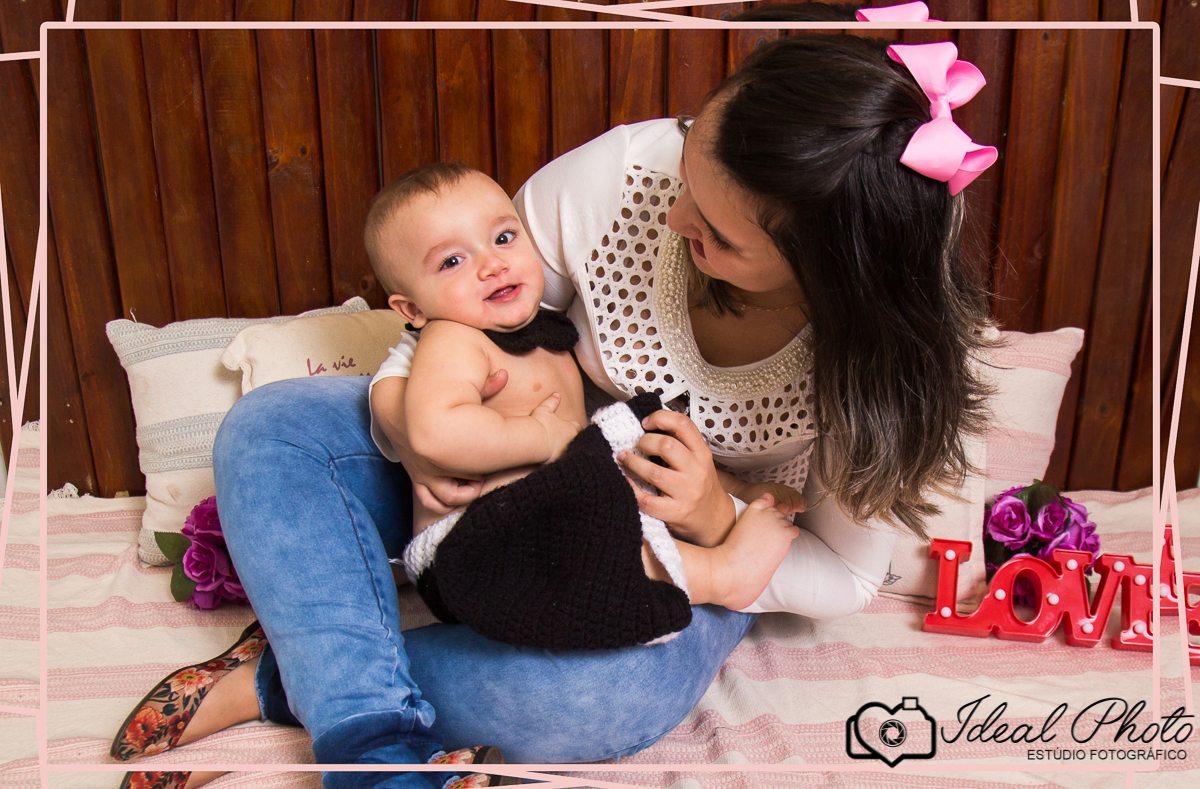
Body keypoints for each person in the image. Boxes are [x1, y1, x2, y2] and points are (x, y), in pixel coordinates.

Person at [109, 19, 996, 789]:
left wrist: (718, 513)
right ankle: (371, 740)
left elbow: (844, 576)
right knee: (274, 428)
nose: (678, 215)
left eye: (718, 234)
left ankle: (290, 679)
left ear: (826, 275)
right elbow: (463, 318)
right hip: (494, 479)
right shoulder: (618, 181)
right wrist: (412, 431)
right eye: (688, 167)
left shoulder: (879, 366)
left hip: (667, 546)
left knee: (597, 698)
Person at [362, 162, 802, 650]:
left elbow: (615, 451)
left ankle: (716, 523)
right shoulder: (452, 338)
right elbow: (434, 434)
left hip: (543, 525)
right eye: (452, 262)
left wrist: (738, 486)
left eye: (504, 238)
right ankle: (721, 575)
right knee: (591, 540)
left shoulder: (545, 336)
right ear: (412, 310)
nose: (492, 264)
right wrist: (543, 437)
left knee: (636, 442)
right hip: (478, 544)